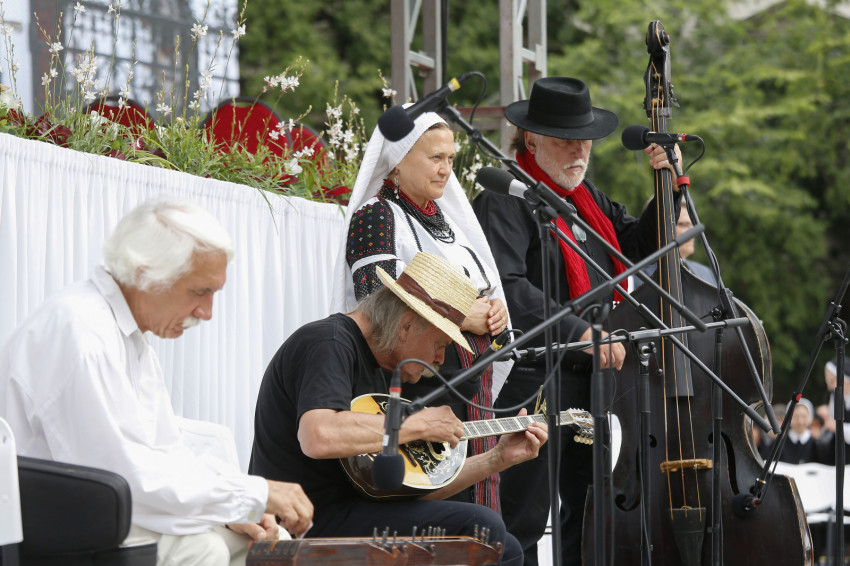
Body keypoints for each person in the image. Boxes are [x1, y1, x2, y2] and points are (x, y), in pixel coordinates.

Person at [0, 200, 313, 566]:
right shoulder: (82, 335)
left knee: (263, 541)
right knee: (204, 549)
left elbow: (165, 453)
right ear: (145, 273)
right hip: (49, 522)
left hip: (93, 508)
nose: (207, 312)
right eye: (199, 291)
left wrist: (234, 507)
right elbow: (123, 480)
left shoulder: (124, 334)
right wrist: (251, 493)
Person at [472, 77, 682, 566]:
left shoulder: (587, 200)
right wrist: (580, 333)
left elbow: (636, 246)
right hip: (531, 379)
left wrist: (666, 189)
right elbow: (508, 287)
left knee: (590, 519)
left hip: (594, 383)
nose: (579, 150)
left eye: (585, 140)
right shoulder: (506, 197)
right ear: (531, 141)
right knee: (521, 517)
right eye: (566, 140)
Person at [251, 252, 548, 566]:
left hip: (352, 512)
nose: (439, 359)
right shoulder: (328, 342)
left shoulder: (384, 366)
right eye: (440, 344)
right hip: (302, 521)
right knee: (482, 529)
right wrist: (418, 424)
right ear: (406, 326)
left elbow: (410, 489)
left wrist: (497, 458)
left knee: (506, 548)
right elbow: (317, 435)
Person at [332, 108, 511, 511]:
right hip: (419, 388)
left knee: (476, 504)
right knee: (437, 508)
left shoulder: (450, 225)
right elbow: (375, 297)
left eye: (450, 158)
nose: (446, 169)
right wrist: (461, 314)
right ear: (399, 160)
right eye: (435, 158)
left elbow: (480, 287)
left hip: (467, 388)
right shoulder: (377, 215)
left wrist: (495, 311)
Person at [633, 200, 717, 289]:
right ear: (656, 229)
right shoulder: (633, 275)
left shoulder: (706, 273)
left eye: (692, 225)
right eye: (683, 225)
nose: (693, 232)